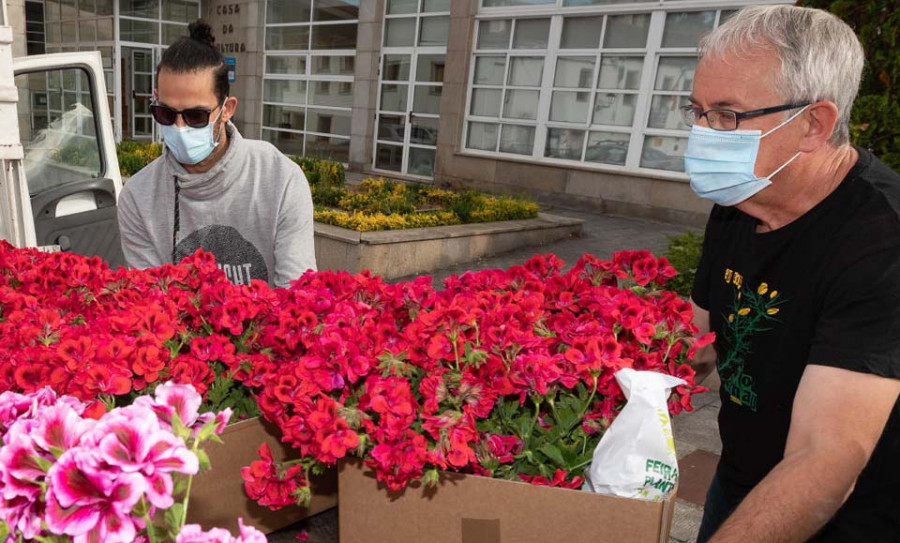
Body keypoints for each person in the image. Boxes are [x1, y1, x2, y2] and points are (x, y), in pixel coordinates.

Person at [684, 6, 900, 543]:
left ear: (813, 124)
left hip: (843, 517)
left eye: (727, 115)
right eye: (697, 110)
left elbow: (826, 456)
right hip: (739, 480)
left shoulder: (883, 240)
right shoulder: (742, 198)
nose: (703, 132)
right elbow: (699, 339)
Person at [117, 20, 316, 288]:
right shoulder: (137, 197)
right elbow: (152, 307)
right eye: (165, 113)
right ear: (155, 99)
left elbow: (297, 297)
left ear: (227, 109)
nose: (179, 127)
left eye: (196, 115)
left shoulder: (281, 180)